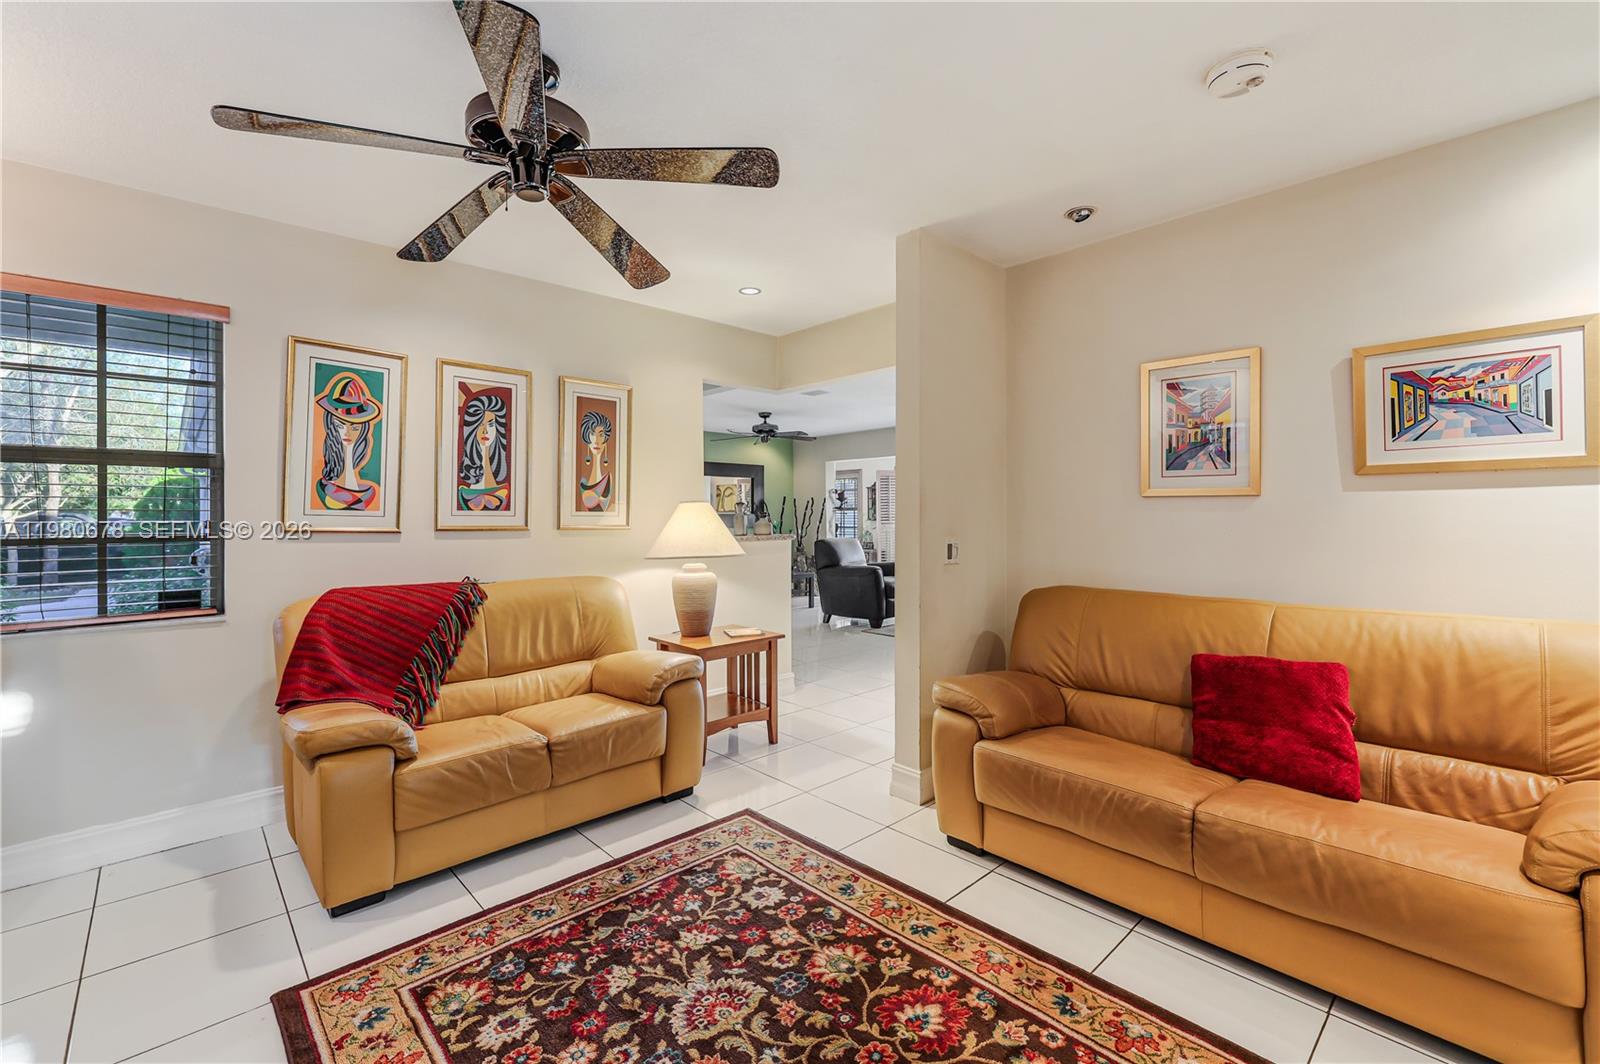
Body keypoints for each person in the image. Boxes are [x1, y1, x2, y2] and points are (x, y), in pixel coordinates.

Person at [314, 372, 382, 511]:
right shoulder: (325, 490)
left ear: (363, 430)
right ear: (331, 426)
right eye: (340, 425)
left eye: (355, 427)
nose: (347, 432)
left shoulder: (369, 494)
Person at [457, 389, 510, 511]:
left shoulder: (504, 490)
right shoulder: (463, 492)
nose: (485, 431)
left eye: (491, 425)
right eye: (480, 424)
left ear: (498, 430)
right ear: (472, 428)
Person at [578, 408, 613, 511]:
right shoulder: (582, 481)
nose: (597, 441)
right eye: (593, 434)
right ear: (587, 438)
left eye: (601, 435)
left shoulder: (608, 478)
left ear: (605, 439)